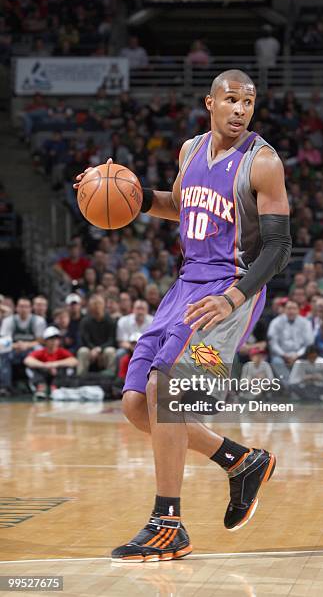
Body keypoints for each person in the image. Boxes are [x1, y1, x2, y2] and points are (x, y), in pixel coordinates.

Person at [74, 69, 291, 562]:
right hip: (185, 286)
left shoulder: (263, 163)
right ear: (210, 103)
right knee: (135, 404)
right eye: (231, 100)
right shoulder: (190, 150)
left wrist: (234, 298)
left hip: (229, 290)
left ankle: (167, 522)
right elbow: (183, 205)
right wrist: (125, 192)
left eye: (248, 102)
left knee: (164, 391)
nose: (240, 110)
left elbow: (279, 248)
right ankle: (242, 461)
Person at [267, 300, 313, 386]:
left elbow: (308, 343)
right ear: (284, 310)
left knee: (302, 362)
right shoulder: (275, 322)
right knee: (276, 361)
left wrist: (297, 355)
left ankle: (300, 386)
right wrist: (284, 355)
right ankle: (291, 387)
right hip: (281, 355)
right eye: (289, 308)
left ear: (298, 310)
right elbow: (273, 343)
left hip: (300, 355)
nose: (291, 311)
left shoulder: (306, 323)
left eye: (294, 308)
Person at [24, 326, 78, 399]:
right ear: (45, 341)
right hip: (44, 376)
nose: (54, 342)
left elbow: (74, 361)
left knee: (66, 368)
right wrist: (45, 365)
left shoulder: (62, 351)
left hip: (58, 377)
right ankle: (41, 387)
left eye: (56, 339)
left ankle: (55, 388)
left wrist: (55, 364)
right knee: (31, 368)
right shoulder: (41, 352)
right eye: (51, 339)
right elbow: (27, 360)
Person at [77, 295, 116, 375]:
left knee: (110, 351)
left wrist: (100, 349)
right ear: (90, 307)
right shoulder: (85, 321)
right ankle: (80, 377)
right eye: (94, 304)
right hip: (90, 350)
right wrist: (93, 349)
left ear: (103, 305)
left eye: (99, 304)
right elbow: (85, 340)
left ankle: (110, 377)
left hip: (104, 349)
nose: (97, 307)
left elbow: (112, 340)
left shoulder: (110, 321)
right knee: (82, 351)